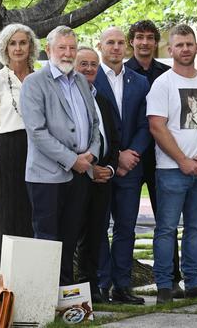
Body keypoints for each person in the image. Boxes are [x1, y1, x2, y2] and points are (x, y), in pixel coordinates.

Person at [147, 24, 197, 304]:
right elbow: (157, 126)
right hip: (171, 171)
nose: (185, 49)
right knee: (167, 229)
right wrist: (182, 160)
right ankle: (165, 286)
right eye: (179, 45)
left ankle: (194, 282)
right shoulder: (163, 84)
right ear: (170, 50)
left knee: (196, 229)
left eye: (189, 44)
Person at [19, 25, 100, 286]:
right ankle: (43, 296)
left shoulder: (80, 81)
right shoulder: (34, 83)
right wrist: (71, 160)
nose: (67, 53)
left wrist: (91, 155)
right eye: (62, 48)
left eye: (72, 48)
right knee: (47, 238)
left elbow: (95, 124)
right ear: (48, 49)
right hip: (47, 176)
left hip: (82, 171)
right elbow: (37, 132)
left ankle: (64, 296)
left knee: (70, 235)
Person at [94, 27, 151, 305]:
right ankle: (101, 284)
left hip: (132, 168)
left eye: (120, 43)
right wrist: (117, 156)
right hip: (102, 167)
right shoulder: (89, 78)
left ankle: (122, 285)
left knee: (126, 228)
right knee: (99, 226)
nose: (116, 48)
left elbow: (145, 124)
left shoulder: (139, 82)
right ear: (100, 46)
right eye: (110, 43)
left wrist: (133, 154)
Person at [124, 20, 182, 296]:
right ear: (131, 42)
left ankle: (171, 278)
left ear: (156, 42)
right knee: (126, 221)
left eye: (149, 38)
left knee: (167, 221)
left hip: (163, 157)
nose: (144, 42)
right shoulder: (122, 73)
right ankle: (120, 279)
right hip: (133, 158)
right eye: (139, 38)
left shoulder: (167, 74)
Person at [0, 24, 39, 271]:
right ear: (5, 48)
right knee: (8, 209)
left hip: (39, 150)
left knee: (34, 208)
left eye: (23, 43)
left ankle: (33, 269)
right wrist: (3, 151)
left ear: (31, 46)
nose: (18, 48)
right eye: (13, 43)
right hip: (8, 150)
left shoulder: (40, 79)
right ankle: (4, 270)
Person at [74, 47, 120, 304]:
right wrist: (90, 169)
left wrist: (110, 168)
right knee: (76, 234)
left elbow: (112, 139)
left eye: (93, 64)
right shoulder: (69, 98)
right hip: (78, 176)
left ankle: (91, 288)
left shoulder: (101, 98)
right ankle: (74, 288)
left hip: (103, 178)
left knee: (95, 234)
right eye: (84, 64)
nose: (89, 69)